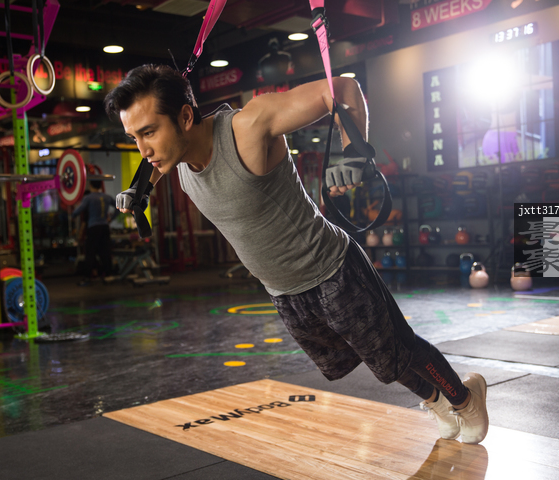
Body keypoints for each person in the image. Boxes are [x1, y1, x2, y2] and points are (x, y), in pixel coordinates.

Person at [105, 64, 490, 444]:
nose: (143, 149)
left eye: (149, 132)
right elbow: (154, 161)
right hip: (285, 293)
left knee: (397, 351)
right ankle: (438, 401)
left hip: (332, 271)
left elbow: (341, 89)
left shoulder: (249, 126)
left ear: (186, 117)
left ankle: (465, 399)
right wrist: (142, 186)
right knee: (381, 362)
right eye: (134, 137)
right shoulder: (174, 156)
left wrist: (354, 153)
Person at [72, 180, 115, 286]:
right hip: (105, 227)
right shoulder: (107, 197)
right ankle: (109, 275)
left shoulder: (88, 198)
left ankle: (87, 277)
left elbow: (77, 211)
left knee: (90, 253)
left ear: (91, 186)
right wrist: (111, 219)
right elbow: (119, 207)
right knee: (105, 252)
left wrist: (73, 213)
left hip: (93, 228)